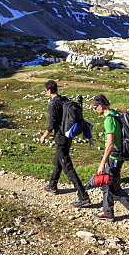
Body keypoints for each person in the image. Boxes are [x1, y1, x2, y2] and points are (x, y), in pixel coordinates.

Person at [92, 94, 129, 227]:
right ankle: (107, 211)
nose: (94, 110)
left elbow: (110, 144)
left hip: (114, 158)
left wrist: (102, 163)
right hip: (119, 156)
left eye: (94, 107)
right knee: (108, 184)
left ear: (101, 106)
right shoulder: (115, 114)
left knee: (114, 188)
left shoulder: (108, 120)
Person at [38, 80, 91, 208]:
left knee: (67, 166)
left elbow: (52, 124)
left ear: (49, 90)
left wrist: (44, 136)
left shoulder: (53, 104)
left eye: (46, 91)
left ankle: (83, 196)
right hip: (68, 135)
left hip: (60, 137)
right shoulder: (64, 100)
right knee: (58, 159)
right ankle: (52, 185)